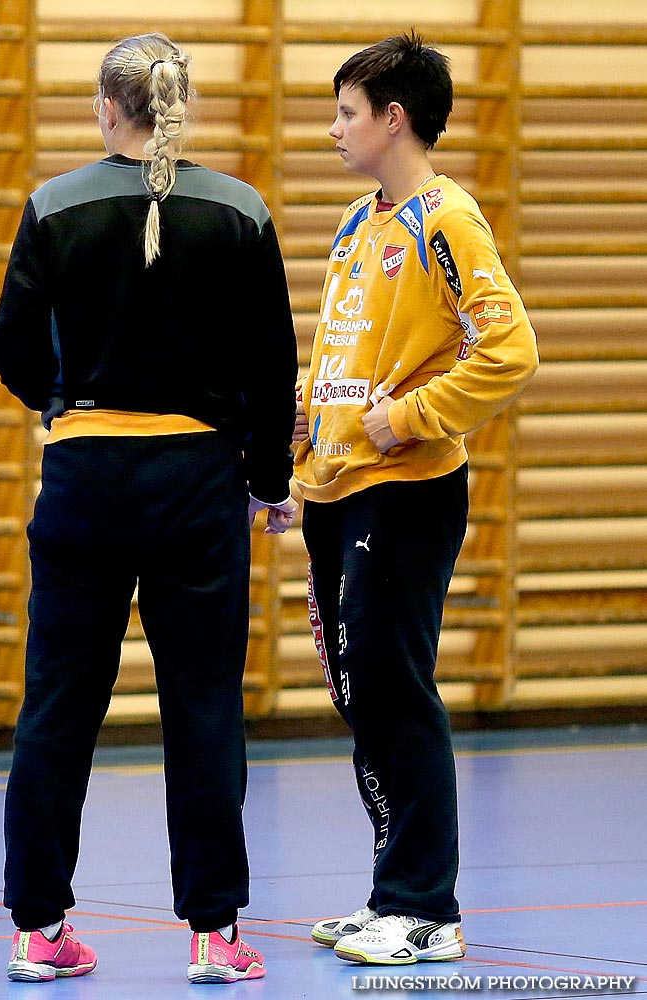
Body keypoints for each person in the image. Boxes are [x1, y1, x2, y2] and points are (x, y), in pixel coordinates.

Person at [0, 32, 298, 986]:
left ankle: (38, 932)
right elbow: (271, 362)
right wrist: (266, 477)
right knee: (203, 708)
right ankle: (213, 935)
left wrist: (64, 401)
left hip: (84, 476)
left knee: (57, 706)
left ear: (103, 108)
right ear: (181, 105)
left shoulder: (52, 206)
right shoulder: (239, 209)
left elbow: (11, 349)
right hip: (195, 483)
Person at [294, 33, 539, 965]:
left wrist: (420, 416)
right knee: (363, 694)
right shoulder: (362, 222)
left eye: (346, 112)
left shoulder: (449, 220)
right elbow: (344, 363)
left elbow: (509, 350)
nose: (333, 130)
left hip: (405, 491)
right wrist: (299, 463)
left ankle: (425, 908)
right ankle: (388, 892)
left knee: (397, 690)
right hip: (339, 486)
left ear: (393, 118)